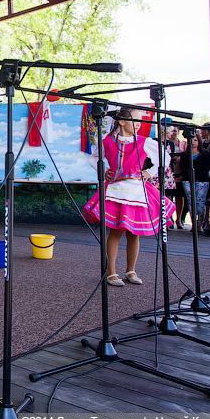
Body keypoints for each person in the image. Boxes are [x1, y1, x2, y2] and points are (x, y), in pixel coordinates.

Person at [83, 108, 174, 286]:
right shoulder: (108, 141)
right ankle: (111, 272)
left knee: (134, 233)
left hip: (136, 189)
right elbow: (93, 158)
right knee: (115, 231)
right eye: (135, 120)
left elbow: (165, 157)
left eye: (141, 121)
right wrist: (104, 171)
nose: (139, 124)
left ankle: (131, 270)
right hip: (116, 189)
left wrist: (149, 172)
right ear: (122, 122)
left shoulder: (144, 142)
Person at [181, 135, 210, 232]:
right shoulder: (185, 155)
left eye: (195, 140)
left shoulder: (205, 154)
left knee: (200, 202)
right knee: (191, 202)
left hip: (202, 180)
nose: (193, 142)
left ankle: (200, 224)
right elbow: (183, 167)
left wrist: (198, 174)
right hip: (188, 180)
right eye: (191, 140)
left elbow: (207, 167)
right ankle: (194, 224)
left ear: (199, 141)